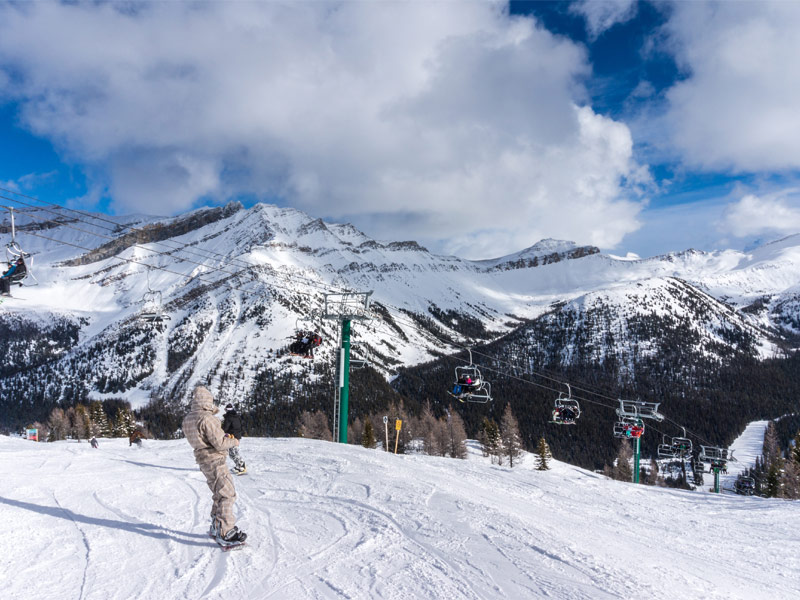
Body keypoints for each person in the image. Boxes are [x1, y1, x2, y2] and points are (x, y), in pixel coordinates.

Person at [182, 385, 247, 548]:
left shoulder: (188, 419)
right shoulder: (207, 418)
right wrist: (234, 441)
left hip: (202, 459)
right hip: (215, 459)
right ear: (207, 401)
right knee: (227, 494)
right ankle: (225, 531)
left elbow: (203, 437)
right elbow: (220, 443)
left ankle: (216, 526)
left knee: (218, 492)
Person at [222, 403, 246, 475]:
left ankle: (241, 466)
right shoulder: (237, 416)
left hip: (232, 436)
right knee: (234, 452)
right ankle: (239, 465)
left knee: (233, 453)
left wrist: (221, 431)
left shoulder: (229, 417)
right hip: (237, 436)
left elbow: (225, 428)